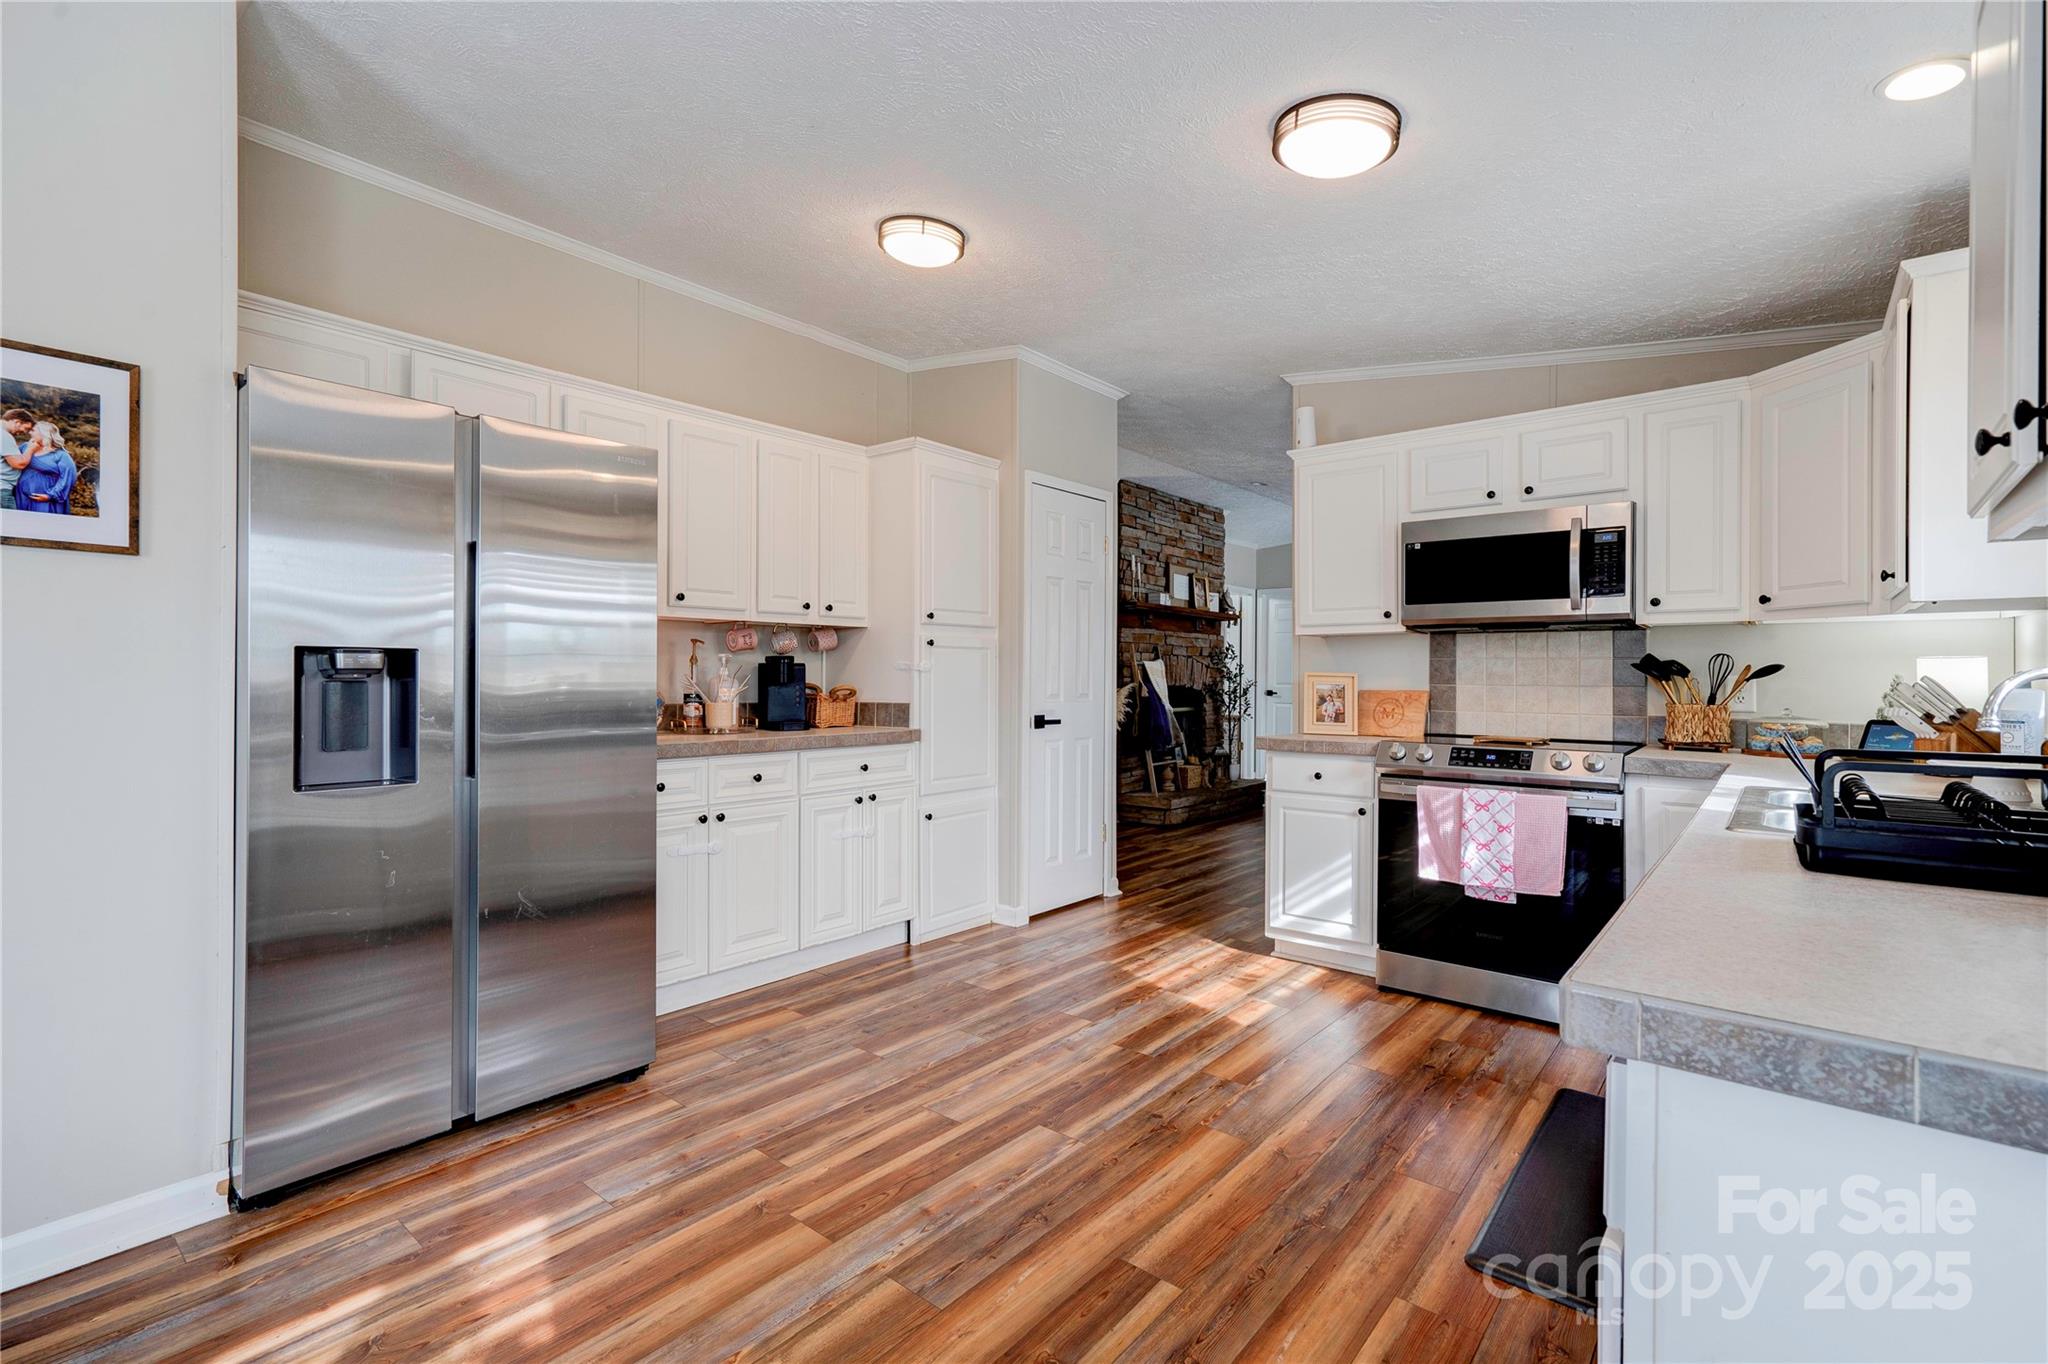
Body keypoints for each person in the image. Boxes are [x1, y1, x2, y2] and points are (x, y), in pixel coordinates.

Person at [14, 420, 77, 514]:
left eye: (33, 430)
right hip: (21, 496)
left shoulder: (61, 455)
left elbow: (68, 478)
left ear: (44, 433)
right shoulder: (24, 447)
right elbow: (12, 462)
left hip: (46, 500)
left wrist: (50, 496)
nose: (30, 432)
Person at [0, 408, 31, 509]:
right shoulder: (4, 436)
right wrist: (32, 449)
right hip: (2, 490)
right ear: (17, 422)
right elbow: (18, 464)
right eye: (26, 428)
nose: (25, 432)